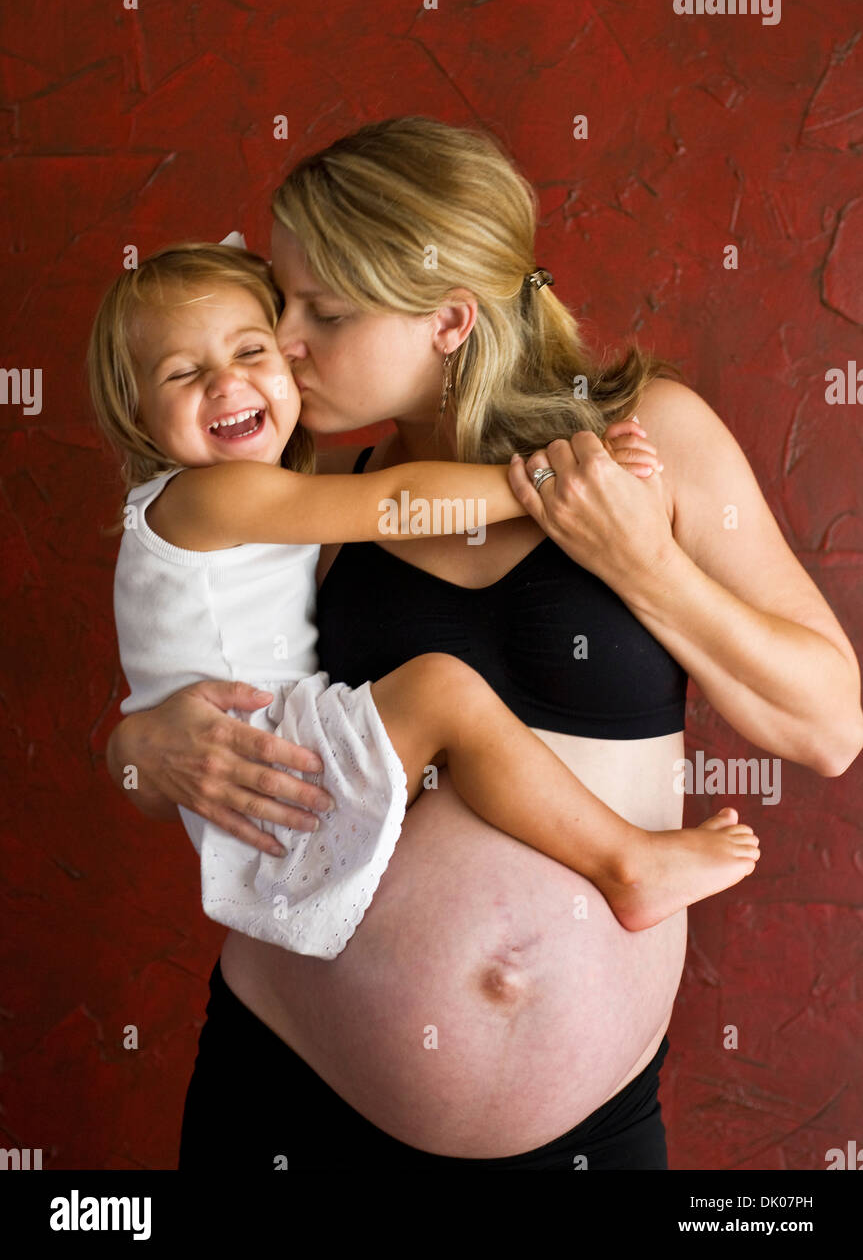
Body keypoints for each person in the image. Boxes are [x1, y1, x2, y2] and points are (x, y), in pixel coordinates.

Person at [105, 116, 863, 1171]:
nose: (282, 345)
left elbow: (827, 726)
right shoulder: (313, 497)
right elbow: (182, 716)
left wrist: (642, 562)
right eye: (283, 306)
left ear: (448, 318)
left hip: (582, 1131)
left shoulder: (650, 439)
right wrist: (139, 749)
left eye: (323, 312)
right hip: (291, 1083)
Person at [89, 240, 759, 960]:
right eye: (185, 373)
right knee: (441, 689)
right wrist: (550, 480)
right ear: (135, 411)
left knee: (438, 694)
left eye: (252, 352)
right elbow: (394, 502)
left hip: (276, 787)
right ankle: (625, 862)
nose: (226, 384)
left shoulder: (256, 496)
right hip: (278, 776)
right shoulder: (214, 493)